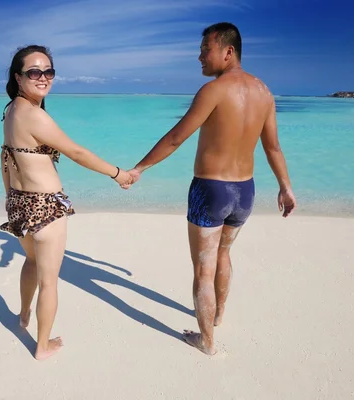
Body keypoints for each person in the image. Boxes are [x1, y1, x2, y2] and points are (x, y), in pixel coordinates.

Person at [127, 22, 297, 355]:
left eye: (206, 49)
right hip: (244, 193)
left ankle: (206, 342)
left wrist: (140, 168)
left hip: (210, 191)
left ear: (227, 51)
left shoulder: (214, 90)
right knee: (224, 254)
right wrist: (286, 188)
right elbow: (273, 147)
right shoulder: (264, 92)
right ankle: (218, 316)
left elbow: (177, 137)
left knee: (203, 267)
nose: (200, 56)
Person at [0, 44, 132, 361]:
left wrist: (9, 198)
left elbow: (5, 159)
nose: (42, 77)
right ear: (19, 77)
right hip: (46, 207)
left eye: (48, 71)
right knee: (49, 282)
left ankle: (22, 316)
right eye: (34, 72)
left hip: (20, 202)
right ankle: (42, 347)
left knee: (31, 262)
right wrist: (117, 174)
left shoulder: (11, 111)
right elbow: (77, 152)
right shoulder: (34, 116)